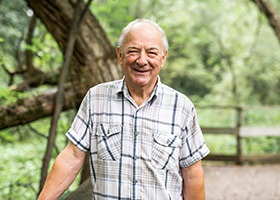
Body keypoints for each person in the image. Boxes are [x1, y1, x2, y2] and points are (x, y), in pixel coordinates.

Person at [38, 18, 210, 200]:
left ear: (163, 58)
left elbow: (192, 173)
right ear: (120, 55)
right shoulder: (96, 98)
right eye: (133, 51)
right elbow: (71, 157)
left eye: (151, 53)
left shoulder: (182, 107)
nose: (142, 60)